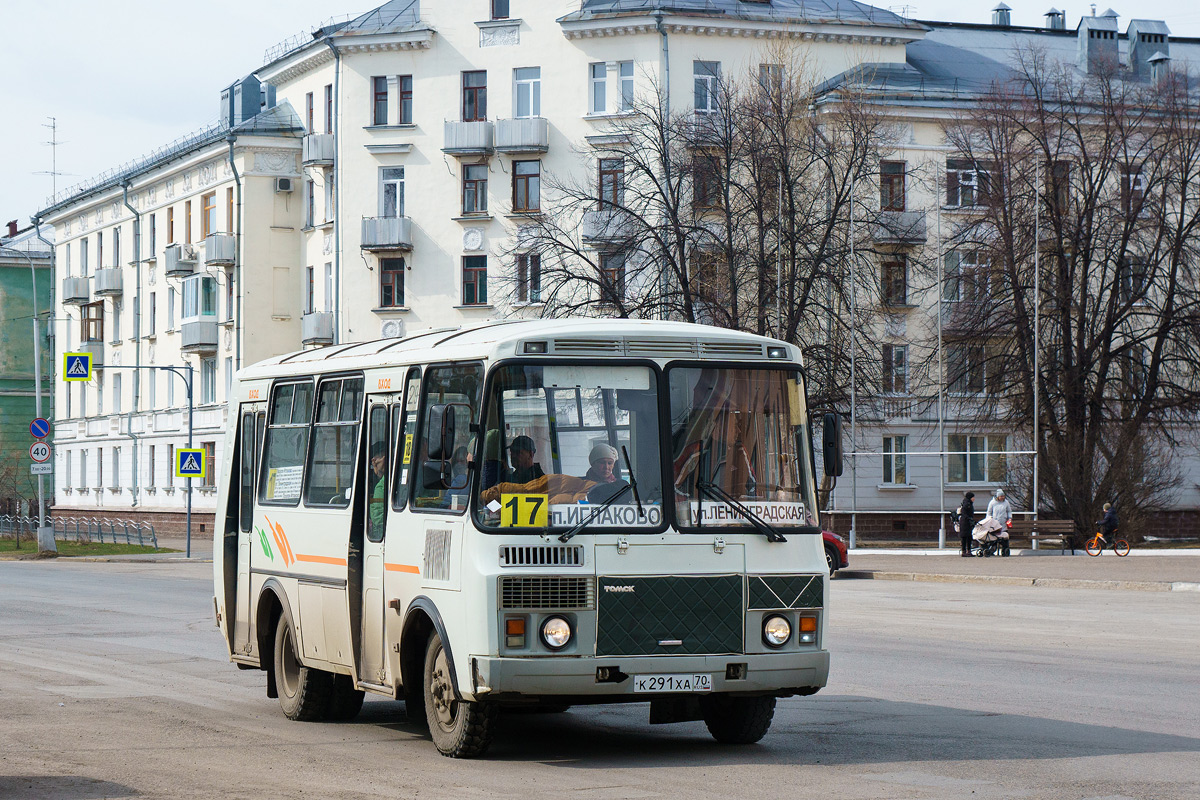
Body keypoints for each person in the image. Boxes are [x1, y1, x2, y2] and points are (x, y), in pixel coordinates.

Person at [368, 441, 387, 532]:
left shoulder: (381, 487)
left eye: (377, 456)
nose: (374, 461)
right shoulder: (380, 481)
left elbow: (378, 519)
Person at [957, 491, 976, 557]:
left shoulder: (969, 503)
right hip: (965, 523)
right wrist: (969, 519)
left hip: (967, 522)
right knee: (965, 537)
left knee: (969, 537)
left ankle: (968, 551)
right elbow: (964, 513)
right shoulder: (967, 504)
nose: (974, 498)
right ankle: (965, 551)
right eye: (973, 497)